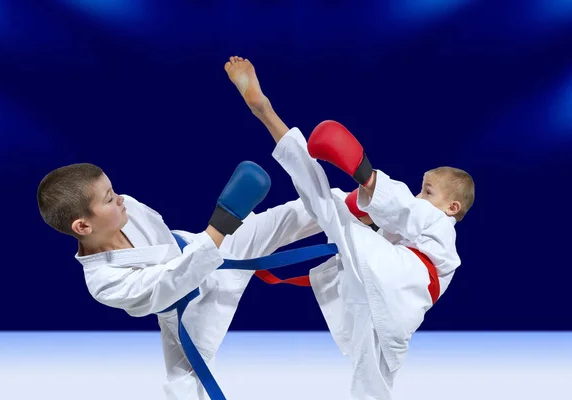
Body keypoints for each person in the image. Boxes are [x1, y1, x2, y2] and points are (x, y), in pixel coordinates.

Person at [225, 55, 475, 399]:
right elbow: (395, 216)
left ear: (453, 206)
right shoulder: (416, 232)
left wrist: (367, 177)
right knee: (372, 381)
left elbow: (405, 209)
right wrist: (364, 205)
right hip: (388, 307)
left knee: (325, 202)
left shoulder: (441, 225)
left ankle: (267, 113)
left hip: (396, 278)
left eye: (428, 191)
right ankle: (269, 124)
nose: (420, 195)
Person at [36, 160, 330, 400]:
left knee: (288, 217)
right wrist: (223, 222)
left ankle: (362, 206)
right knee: (185, 390)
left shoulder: (129, 208)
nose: (121, 199)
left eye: (114, 190)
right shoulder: (103, 281)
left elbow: (174, 248)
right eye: (110, 198)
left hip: (208, 247)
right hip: (188, 314)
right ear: (83, 225)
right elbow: (168, 284)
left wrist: (216, 235)